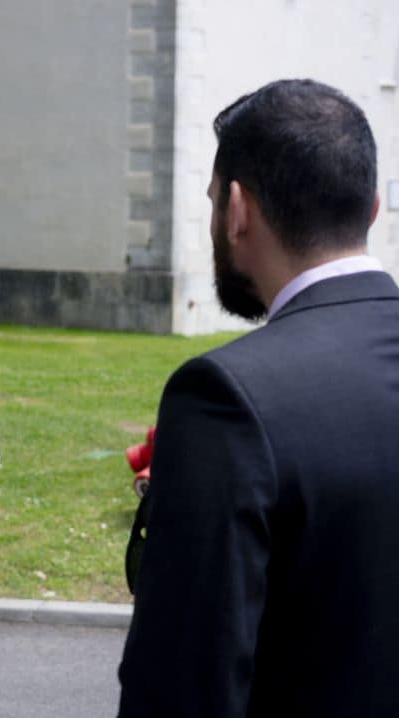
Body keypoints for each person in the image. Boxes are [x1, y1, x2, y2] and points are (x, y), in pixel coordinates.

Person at [118, 79, 399, 716]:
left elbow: (182, 682)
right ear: (373, 208)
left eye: (213, 201)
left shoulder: (227, 397)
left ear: (237, 210)